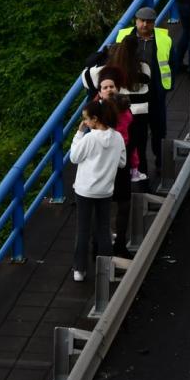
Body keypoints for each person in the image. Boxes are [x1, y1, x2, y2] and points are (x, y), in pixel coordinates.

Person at [69, 99, 126, 282]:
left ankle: (80, 270)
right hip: (106, 190)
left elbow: (74, 157)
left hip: (85, 190)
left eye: (86, 119)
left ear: (95, 119)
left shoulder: (89, 138)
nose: (85, 122)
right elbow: (122, 162)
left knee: (83, 230)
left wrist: (78, 134)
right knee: (103, 230)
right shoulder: (117, 137)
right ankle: (106, 269)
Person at [83, 37, 152, 183]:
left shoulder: (103, 72)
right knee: (138, 150)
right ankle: (142, 183)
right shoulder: (144, 67)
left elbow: (86, 77)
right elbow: (148, 79)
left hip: (112, 117)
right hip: (139, 115)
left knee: (110, 154)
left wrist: (102, 54)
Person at [114, 7, 172, 177]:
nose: (144, 24)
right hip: (132, 96)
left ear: (154, 23)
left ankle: (160, 162)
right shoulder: (123, 36)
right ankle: (137, 168)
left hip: (155, 93)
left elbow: (172, 61)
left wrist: (166, 86)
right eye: (141, 20)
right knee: (135, 133)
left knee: (159, 130)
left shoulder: (163, 38)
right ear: (136, 20)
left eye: (149, 22)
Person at [93, 71, 140, 257]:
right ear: (100, 91)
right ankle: (97, 245)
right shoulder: (96, 111)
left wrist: (134, 162)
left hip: (123, 158)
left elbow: (132, 136)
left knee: (124, 204)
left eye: (111, 86)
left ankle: (120, 243)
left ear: (117, 88)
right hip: (104, 161)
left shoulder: (125, 107)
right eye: (105, 87)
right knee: (101, 206)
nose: (109, 89)